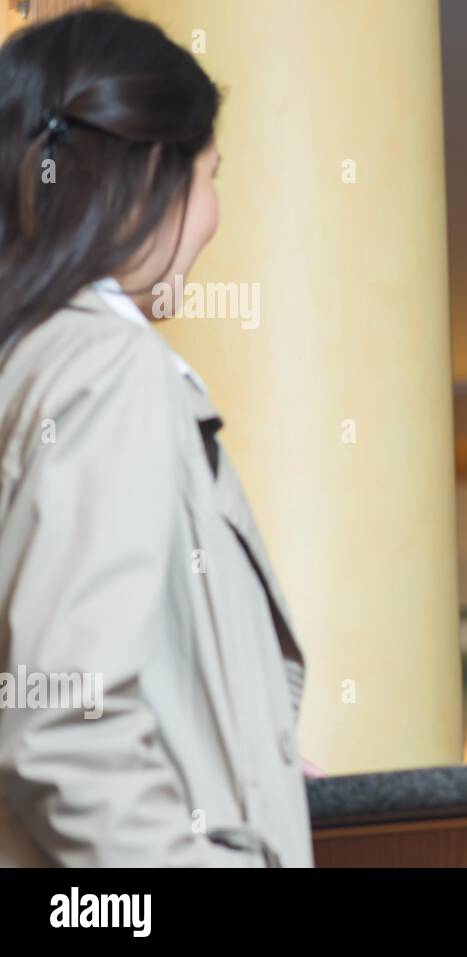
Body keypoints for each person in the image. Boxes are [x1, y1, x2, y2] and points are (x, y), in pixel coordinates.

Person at [0, 6, 313, 865]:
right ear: (149, 175)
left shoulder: (27, 363)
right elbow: (65, 726)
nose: (214, 214)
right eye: (212, 175)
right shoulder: (110, 367)